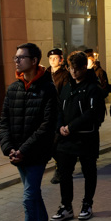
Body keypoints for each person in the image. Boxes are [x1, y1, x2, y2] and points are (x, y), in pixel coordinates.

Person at [0, 43, 58, 221]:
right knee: (33, 195)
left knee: (27, 198)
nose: (16, 61)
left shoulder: (48, 89)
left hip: (36, 154)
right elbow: (4, 122)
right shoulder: (13, 88)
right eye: (15, 57)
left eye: (21, 57)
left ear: (34, 61)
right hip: (18, 154)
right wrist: (9, 149)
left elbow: (47, 125)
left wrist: (24, 149)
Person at [51, 51, 106, 221]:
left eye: (77, 69)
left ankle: (87, 204)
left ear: (84, 68)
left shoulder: (93, 87)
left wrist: (71, 127)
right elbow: (59, 107)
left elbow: (92, 113)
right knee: (64, 172)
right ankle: (66, 206)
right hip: (66, 138)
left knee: (89, 171)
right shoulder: (68, 86)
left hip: (86, 137)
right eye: (71, 68)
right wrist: (60, 126)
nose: (74, 72)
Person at [45, 48, 72, 184]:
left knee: (57, 143)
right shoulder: (46, 74)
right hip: (47, 113)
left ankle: (60, 169)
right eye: (51, 58)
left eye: (55, 58)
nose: (53, 61)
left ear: (61, 59)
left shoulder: (65, 75)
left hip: (59, 112)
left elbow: (65, 94)